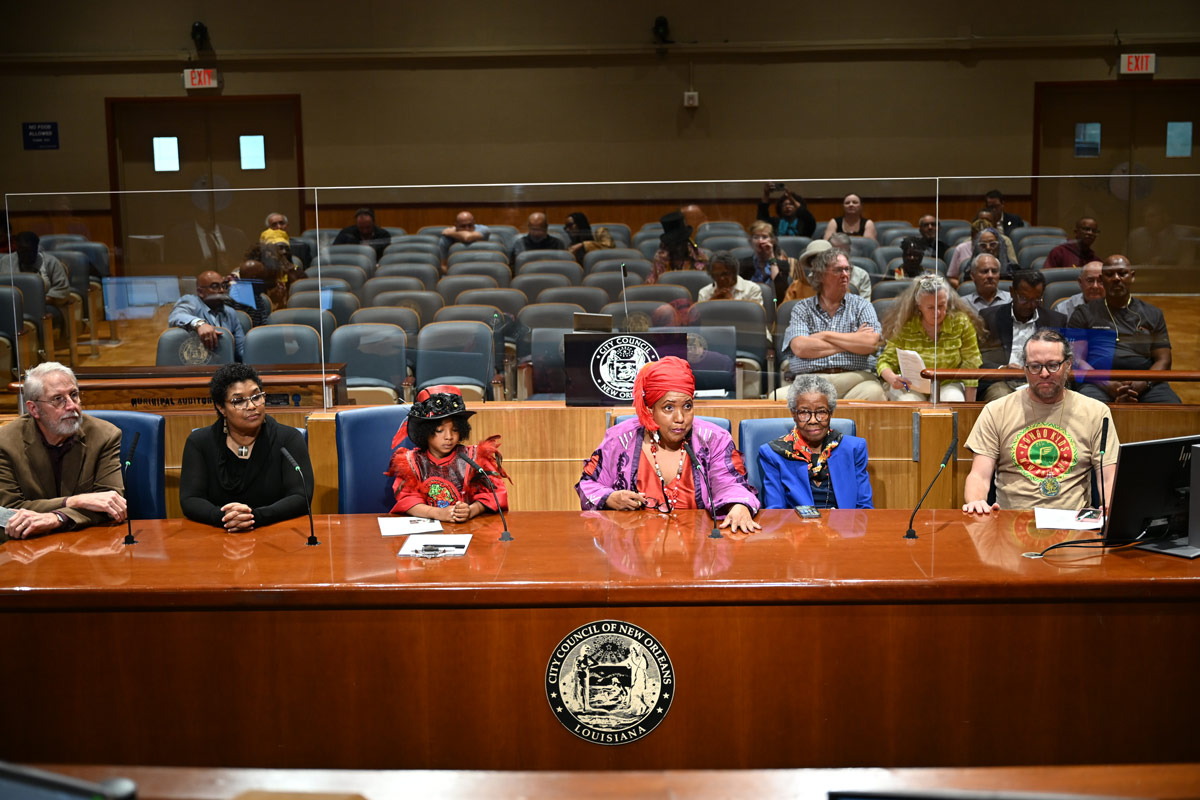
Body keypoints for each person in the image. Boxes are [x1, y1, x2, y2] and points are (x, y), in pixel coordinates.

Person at [575, 357, 760, 532]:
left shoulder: (714, 439)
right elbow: (588, 485)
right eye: (668, 408)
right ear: (650, 410)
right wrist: (610, 498)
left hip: (700, 549)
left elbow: (729, 484)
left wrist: (739, 505)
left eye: (687, 406)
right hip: (634, 555)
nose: (680, 418)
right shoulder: (620, 439)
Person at [963, 329, 1118, 513]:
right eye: (1035, 366)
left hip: (1074, 526)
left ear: (1068, 364)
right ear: (1025, 368)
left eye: (1053, 365)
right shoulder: (996, 410)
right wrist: (976, 502)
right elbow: (979, 476)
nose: (1044, 374)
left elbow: (1109, 477)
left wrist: (1110, 507)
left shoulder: (1096, 412)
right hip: (1010, 523)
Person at [179, 363, 313, 531]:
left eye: (256, 397)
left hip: (276, 533)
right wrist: (224, 518)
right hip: (216, 536)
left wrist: (254, 518)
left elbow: (301, 496)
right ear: (221, 408)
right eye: (239, 401)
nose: (251, 406)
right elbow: (190, 499)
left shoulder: (288, 439)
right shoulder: (200, 443)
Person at [0, 362, 126, 539]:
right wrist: (74, 501)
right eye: (57, 399)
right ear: (33, 408)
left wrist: (57, 518)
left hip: (87, 543)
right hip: (27, 547)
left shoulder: (104, 436)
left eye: (74, 395)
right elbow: (7, 512)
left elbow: (111, 503)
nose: (71, 406)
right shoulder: (4, 443)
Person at [1067, 255, 1180, 404]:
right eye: (1109, 274)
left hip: (1145, 381)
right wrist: (1107, 384)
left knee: (1171, 406)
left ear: (1132, 277)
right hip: (1096, 382)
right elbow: (1076, 359)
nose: (1116, 278)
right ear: (1102, 279)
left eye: (1122, 273)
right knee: (1085, 408)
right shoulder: (1083, 313)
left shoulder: (1153, 313)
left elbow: (1164, 360)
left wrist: (1142, 383)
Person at [782, 247, 886, 400]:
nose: (845, 275)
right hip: (810, 381)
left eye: (847, 269)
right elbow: (801, 347)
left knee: (874, 393)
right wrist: (852, 341)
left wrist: (824, 335)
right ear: (821, 275)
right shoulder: (802, 308)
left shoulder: (862, 305)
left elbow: (869, 344)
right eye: (838, 270)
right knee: (776, 397)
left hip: (855, 379)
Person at [387, 391, 508, 521]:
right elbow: (407, 500)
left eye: (455, 430)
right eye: (439, 430)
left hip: (469, 531)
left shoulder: (475, 458)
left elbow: (494, 494)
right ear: (425, 432)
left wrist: (471, 511)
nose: (449, 437)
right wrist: (437, 513)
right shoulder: (412, 462)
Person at [758, 375, 873, 510]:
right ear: (793, 414)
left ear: (830, 413)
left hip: (845, 527)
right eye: (804, 413)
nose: (813, 420)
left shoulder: (853, 449)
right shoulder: (774, 453)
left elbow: (864, 508)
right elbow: (776, 512)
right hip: (796, 529)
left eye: (821, 412)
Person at [877, 274, 984, 402]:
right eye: (930, 307)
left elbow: (972, 363)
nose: (937, 312)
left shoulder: (960, 322)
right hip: (911, 385)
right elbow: (885, 361)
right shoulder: (906, 324)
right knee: (909, 403)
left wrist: (967, 410)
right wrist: (892, 378)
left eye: (941, 306)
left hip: (948, 384)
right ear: (919, 306)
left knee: (953, 400)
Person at [978, 270, 1068, 402]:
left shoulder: (1055, 321)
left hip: (1043, 378)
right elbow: (977, 358)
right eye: (1024, 299)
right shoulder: (989, 317)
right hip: (1001, 381)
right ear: (1012, 292)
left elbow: (1065, 358)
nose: (1030, 306)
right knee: (1003, 401)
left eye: (1036, 300)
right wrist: (1002, 369)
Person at [168, 269, 247, 361]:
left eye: (223, 286)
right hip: (197, 364)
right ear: (200, 292)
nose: (222, 290)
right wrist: (199, 324)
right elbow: (176, 315)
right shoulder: (192, 302)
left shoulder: (230, 313)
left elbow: (241, 350)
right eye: (215, 287)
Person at [0, 231, 71, 305]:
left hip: (45, 304)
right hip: (11, 304)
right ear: (17, 249)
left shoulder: (51, 262)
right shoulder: (5, 262)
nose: (27, 256)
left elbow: (62, 289)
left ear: (37, 248)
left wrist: (37, 302)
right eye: (23, 252)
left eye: (31, 252)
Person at [740, 220, 792, 303]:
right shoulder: (742, 264)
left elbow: (779, 289)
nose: (760, 241)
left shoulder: (783, 265)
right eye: (756, 237)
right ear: (750, 241)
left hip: (774, 302)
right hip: (750, 303)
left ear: (772, 240)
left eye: (764, 237)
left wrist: (771, 255)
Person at [648, 211, 707, 284]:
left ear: (686, 241)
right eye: (673, 244)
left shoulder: (698, 255)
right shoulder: (660, 257)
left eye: (680, 243)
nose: (677, 248)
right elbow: (653, 283)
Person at [698, 251, 764, 306]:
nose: (721, 278)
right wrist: (711, 302)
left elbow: (755, 318)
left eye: (725, 274)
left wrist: (731, 302)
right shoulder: (704, 293)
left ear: (734, 272)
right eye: (716, 275)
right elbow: (700, 319)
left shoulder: (752, 289)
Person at [825, 234, 874, 299]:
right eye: (835, 251)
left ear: (849, 251)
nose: (839, 256)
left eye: (843, 252)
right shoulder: (818, 274)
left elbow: (865, 305)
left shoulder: (862, 275)